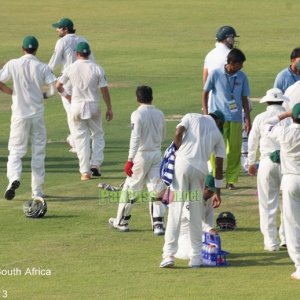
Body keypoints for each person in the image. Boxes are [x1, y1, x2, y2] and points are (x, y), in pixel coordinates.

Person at [160, 111, 226, 268]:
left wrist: (176, 150)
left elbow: (178, 132)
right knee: (196, 215)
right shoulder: (217, 134)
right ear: (218, 122)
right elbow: (218, 168)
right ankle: (196, 258)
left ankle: (169, 254)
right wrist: (217, 193)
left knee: (175, 210)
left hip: (182, 164)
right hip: (200, 170)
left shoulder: (191, 116)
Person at [0, 36, 56, 200]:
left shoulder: (13, 64)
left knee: (15, 151)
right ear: (36, 49)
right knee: (38, 152)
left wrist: (12, 92)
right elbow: (53, 90)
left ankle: (14, 179)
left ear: (22, 48)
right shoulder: (43, 67)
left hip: (19, 115)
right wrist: (43, 95)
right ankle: (37, 190)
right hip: (37, 115)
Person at [109, 86, 166, 236]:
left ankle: (121, 221)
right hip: (156, 154)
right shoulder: (160, 113)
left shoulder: (137, 114)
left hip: (141, 155)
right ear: (152, 97)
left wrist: (130, 159)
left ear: (137, 99)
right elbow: (163, 134)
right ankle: (158, 224)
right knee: (156, 190)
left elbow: (135, 138)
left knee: (130, 189)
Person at [56, 42, 112, 180]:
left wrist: (67, 96)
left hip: (76, 105)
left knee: (81, 139)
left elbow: (58, 85)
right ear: (89, 53)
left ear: (77, 54)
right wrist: (109, 108)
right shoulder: (97, 68)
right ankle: (95, 164)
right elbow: (104, 89)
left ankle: (85, 172)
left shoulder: (71, 68)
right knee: (97, 135)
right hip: (93, 105)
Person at [202, 48, 251, 190]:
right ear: (231, 63)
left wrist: (247, 119)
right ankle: (213, 176)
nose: (241, 67)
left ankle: (231, 180)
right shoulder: (216, 73)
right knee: (214, 149)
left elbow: (244, 99)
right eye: (239, 64)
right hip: (217, 119)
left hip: (235, 118)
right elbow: (205, 94)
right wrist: (206, 115)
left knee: (234, 150)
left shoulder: (242, 77)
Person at [248, 88, 290, 251]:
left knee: (267, 204)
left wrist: (251, 162)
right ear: (282, 101)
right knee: (288, 202)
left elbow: (252, 141)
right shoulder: (289, 117)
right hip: (287, 164)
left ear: (267, 101)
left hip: (266, 162)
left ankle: (271, 242)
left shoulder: (260, 118)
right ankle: (286, 238)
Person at [49, 18, 95, 154]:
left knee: (71, 113)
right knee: (83, 110)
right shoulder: (84, 39)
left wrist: (43, 75)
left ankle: (77, 143)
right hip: (84, 82)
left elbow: (53, 63)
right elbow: (92, 61)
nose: (57, 30)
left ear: (65, 29)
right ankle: (80, 139)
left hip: (67, 82)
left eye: (59, 28)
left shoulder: (62, 42)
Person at [265, 103, 300, 280]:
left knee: (292, 223)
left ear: (292, 117)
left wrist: (284, 115)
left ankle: (299, 266)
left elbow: (267, 125)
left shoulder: (285, 132)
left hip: (291, 178)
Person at [175, 175, 219, 260]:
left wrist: (210, 238)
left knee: (213, 250)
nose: (211, 194)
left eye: (213, 192)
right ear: (202, 187)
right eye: (209, 191)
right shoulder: (189, 198)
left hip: (198, 233)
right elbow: (193, 219)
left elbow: (209, 219)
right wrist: (209, 229)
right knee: (193, 253)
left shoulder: (209, 199)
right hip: (183, 235)